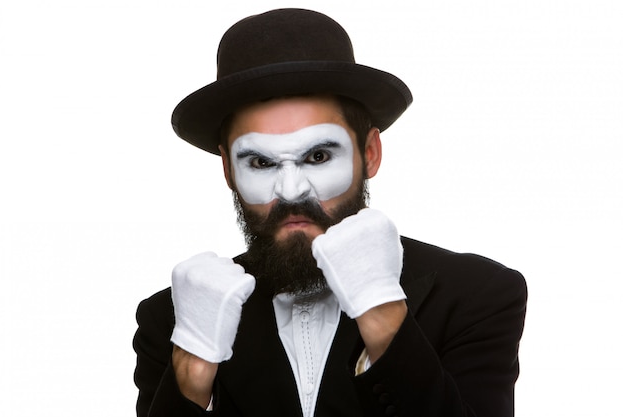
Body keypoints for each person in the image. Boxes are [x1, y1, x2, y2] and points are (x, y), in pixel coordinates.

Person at [133, 8, 527, 417]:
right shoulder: (173, 320)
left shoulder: (476, 294)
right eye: (261, 163)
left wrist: (384, 317)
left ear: (369, 154)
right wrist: (193, 370)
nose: (290, 191)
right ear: (228, 171)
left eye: (318, 155)